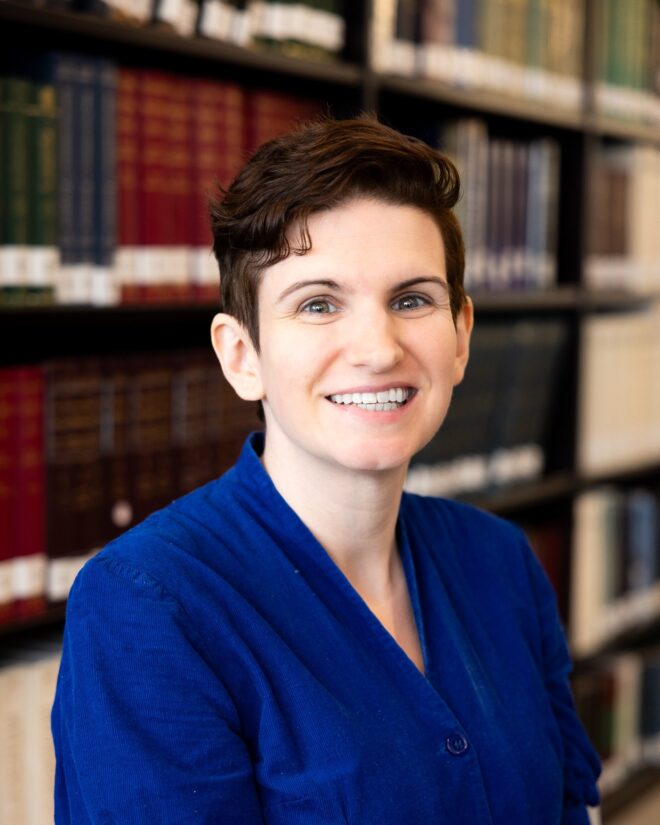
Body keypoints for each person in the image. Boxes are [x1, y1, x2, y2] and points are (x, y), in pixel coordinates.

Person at [51, 116, 601, 824]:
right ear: (241, 355)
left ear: (461, 335)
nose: (378, 349)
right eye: (318, 304)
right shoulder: (149, 608)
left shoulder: (502, 561)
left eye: (411, 299)